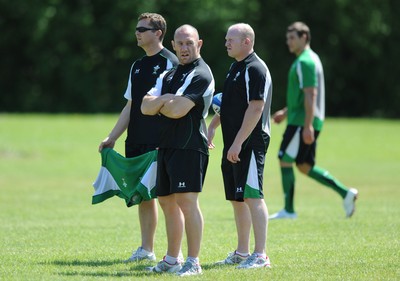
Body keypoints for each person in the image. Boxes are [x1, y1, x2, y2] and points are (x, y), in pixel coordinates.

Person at [98, 13, 179, 262]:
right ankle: (146, 250)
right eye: (137, 28)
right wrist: (112, 136)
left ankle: (175, 253)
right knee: (143, 195)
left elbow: (176, 104)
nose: (137, 32)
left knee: (167, 198)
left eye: (143, 29)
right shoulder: (137, 65)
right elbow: (130, 106)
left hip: (161, 140)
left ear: (158, 33)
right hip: (136, 138)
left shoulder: (171, 62)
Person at [141, 24, 214, 276]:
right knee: (166, 201)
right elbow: (144, 106)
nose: (184, 48)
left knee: (186, 201)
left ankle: (193, 261)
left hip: (190, 146)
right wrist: (166, 100)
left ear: (199, 44)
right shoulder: (168, 75)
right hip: (166, 146)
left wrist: (162, 102)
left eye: (189, 43)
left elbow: (177, 110)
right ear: (172, 45)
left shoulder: (202, 74)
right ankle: (172, 259)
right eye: (180, 43)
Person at [269, 22, 358, 220]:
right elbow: (303, 96)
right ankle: (346, 193)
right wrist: (285, 112)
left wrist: (307, 125)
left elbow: (311, 94)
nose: (288, 42)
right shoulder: (311, 59)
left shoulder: (305, 62)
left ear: (304, 37)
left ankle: (289, 210)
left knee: (284, 159)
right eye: (287, 38)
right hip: (303, 119)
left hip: (302, 122)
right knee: (303, 165)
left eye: (292, 37)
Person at [207, 23, 272, 269]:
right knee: (237, 198)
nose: (226, 43)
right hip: (234, 142)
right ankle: (242, 252)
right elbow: (229, 103)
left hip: (250, 141)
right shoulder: (236, 66)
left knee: (253, 196)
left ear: (246, 41)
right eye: (226, 39)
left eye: (230, 39)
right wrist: (213, 125)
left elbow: (256, 108)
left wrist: (237, 142)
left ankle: (261, 255)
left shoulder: (255, 68)